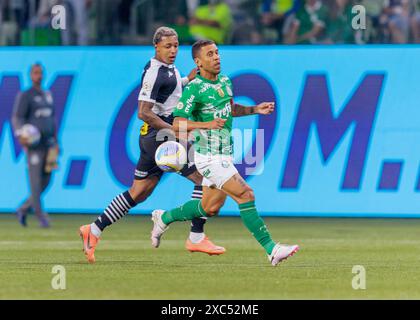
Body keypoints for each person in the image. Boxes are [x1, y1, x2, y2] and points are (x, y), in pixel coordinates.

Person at [79, 27, 225, 264]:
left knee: (139, 192)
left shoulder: (169, 69)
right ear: (156, 46)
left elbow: (171, 92)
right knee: (204, 176)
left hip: (153, 138)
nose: (173, 50)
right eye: (168, 46)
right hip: (159, 135)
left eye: (176, 46)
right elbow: (143, 112)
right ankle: (196, 236)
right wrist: (174, 133)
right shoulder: (155, 72)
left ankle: (93, 230)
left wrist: (188, 80)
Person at [150, 40, 299, 266]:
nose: (216, 57)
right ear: (198, 62)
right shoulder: (194, 88)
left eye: (217, 53)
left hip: (225, 153)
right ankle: (272, 249)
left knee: (209, 207)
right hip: (208, 157)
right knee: (245, 194)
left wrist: (254, 109)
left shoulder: (225, 81)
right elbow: (178, 123)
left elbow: (230, 109)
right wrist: (205, 126)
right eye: (210, 54)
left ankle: (164, 217)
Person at [12, 63, 59, 228]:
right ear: (30, 75)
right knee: (35, 182)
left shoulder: (47, 95)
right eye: (35, 73)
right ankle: (41, 216)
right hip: (34, 146)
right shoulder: (26, 95)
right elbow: (18, 118)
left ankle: (23, 208)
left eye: (40, 73)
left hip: (49, 144)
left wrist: (56, 141)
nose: (38, 76)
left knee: (47, 181)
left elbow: (52, 119)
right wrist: (20, 135)